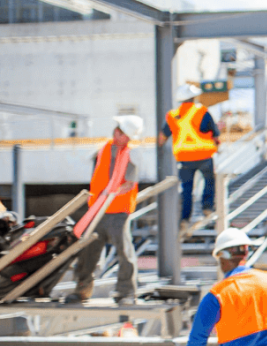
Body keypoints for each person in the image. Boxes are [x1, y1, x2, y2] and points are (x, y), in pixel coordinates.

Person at [65, 116, 142, 305]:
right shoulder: (104, 149)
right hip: (98, 209)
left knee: (124, 251)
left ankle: (126, 293)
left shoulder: (131, 154)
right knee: (88, 250)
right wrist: (103, 196)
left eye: (125, 135)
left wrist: (112, 193)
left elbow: (129, 183)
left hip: (119, 211)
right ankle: (82, 290)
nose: (120, 136)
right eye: (120, 132)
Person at [159, 84, 220, 234]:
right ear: (194, 97)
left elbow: (162, 138)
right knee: (209, 181)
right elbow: (215, 135)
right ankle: (207, 207)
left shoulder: (173, 115)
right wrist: (217, 145)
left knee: (187, 190)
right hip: (204, 155)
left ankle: (185, 219)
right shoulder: (202, 111)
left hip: (184, 159)